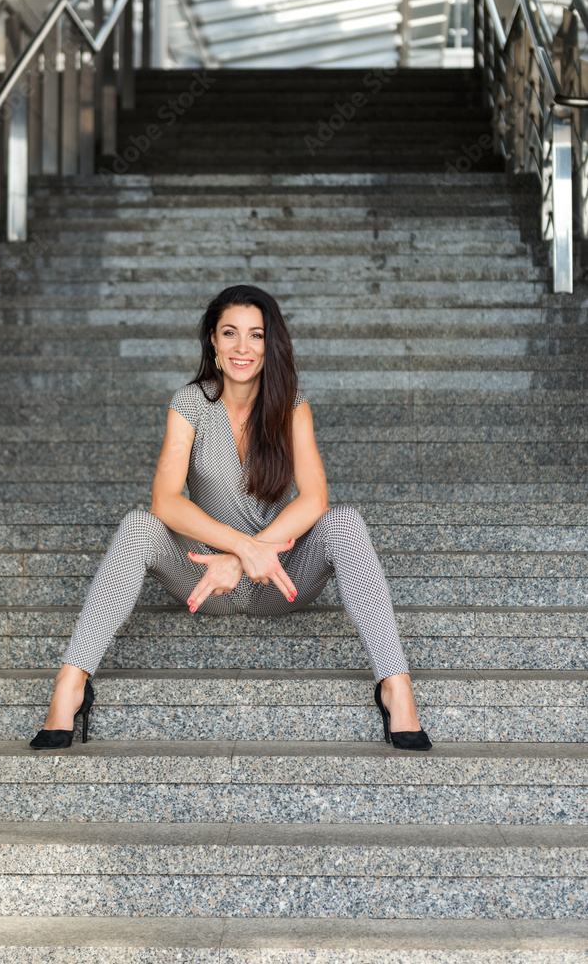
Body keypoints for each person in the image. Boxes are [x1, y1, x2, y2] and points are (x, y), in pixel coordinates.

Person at [29, 284, 431, 751]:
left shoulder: (291, 405)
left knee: (344, 521)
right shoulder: (191, 403)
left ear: (270, 344)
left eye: (256, 335)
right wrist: (238, 547)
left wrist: (244, 558)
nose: (243, 347)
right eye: (230, 333)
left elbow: (314, 498)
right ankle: (71, 683)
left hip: (279, 580)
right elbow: (165, 501)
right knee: (139, 524)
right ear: (214, 343)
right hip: (201, 578)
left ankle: (395, 686)